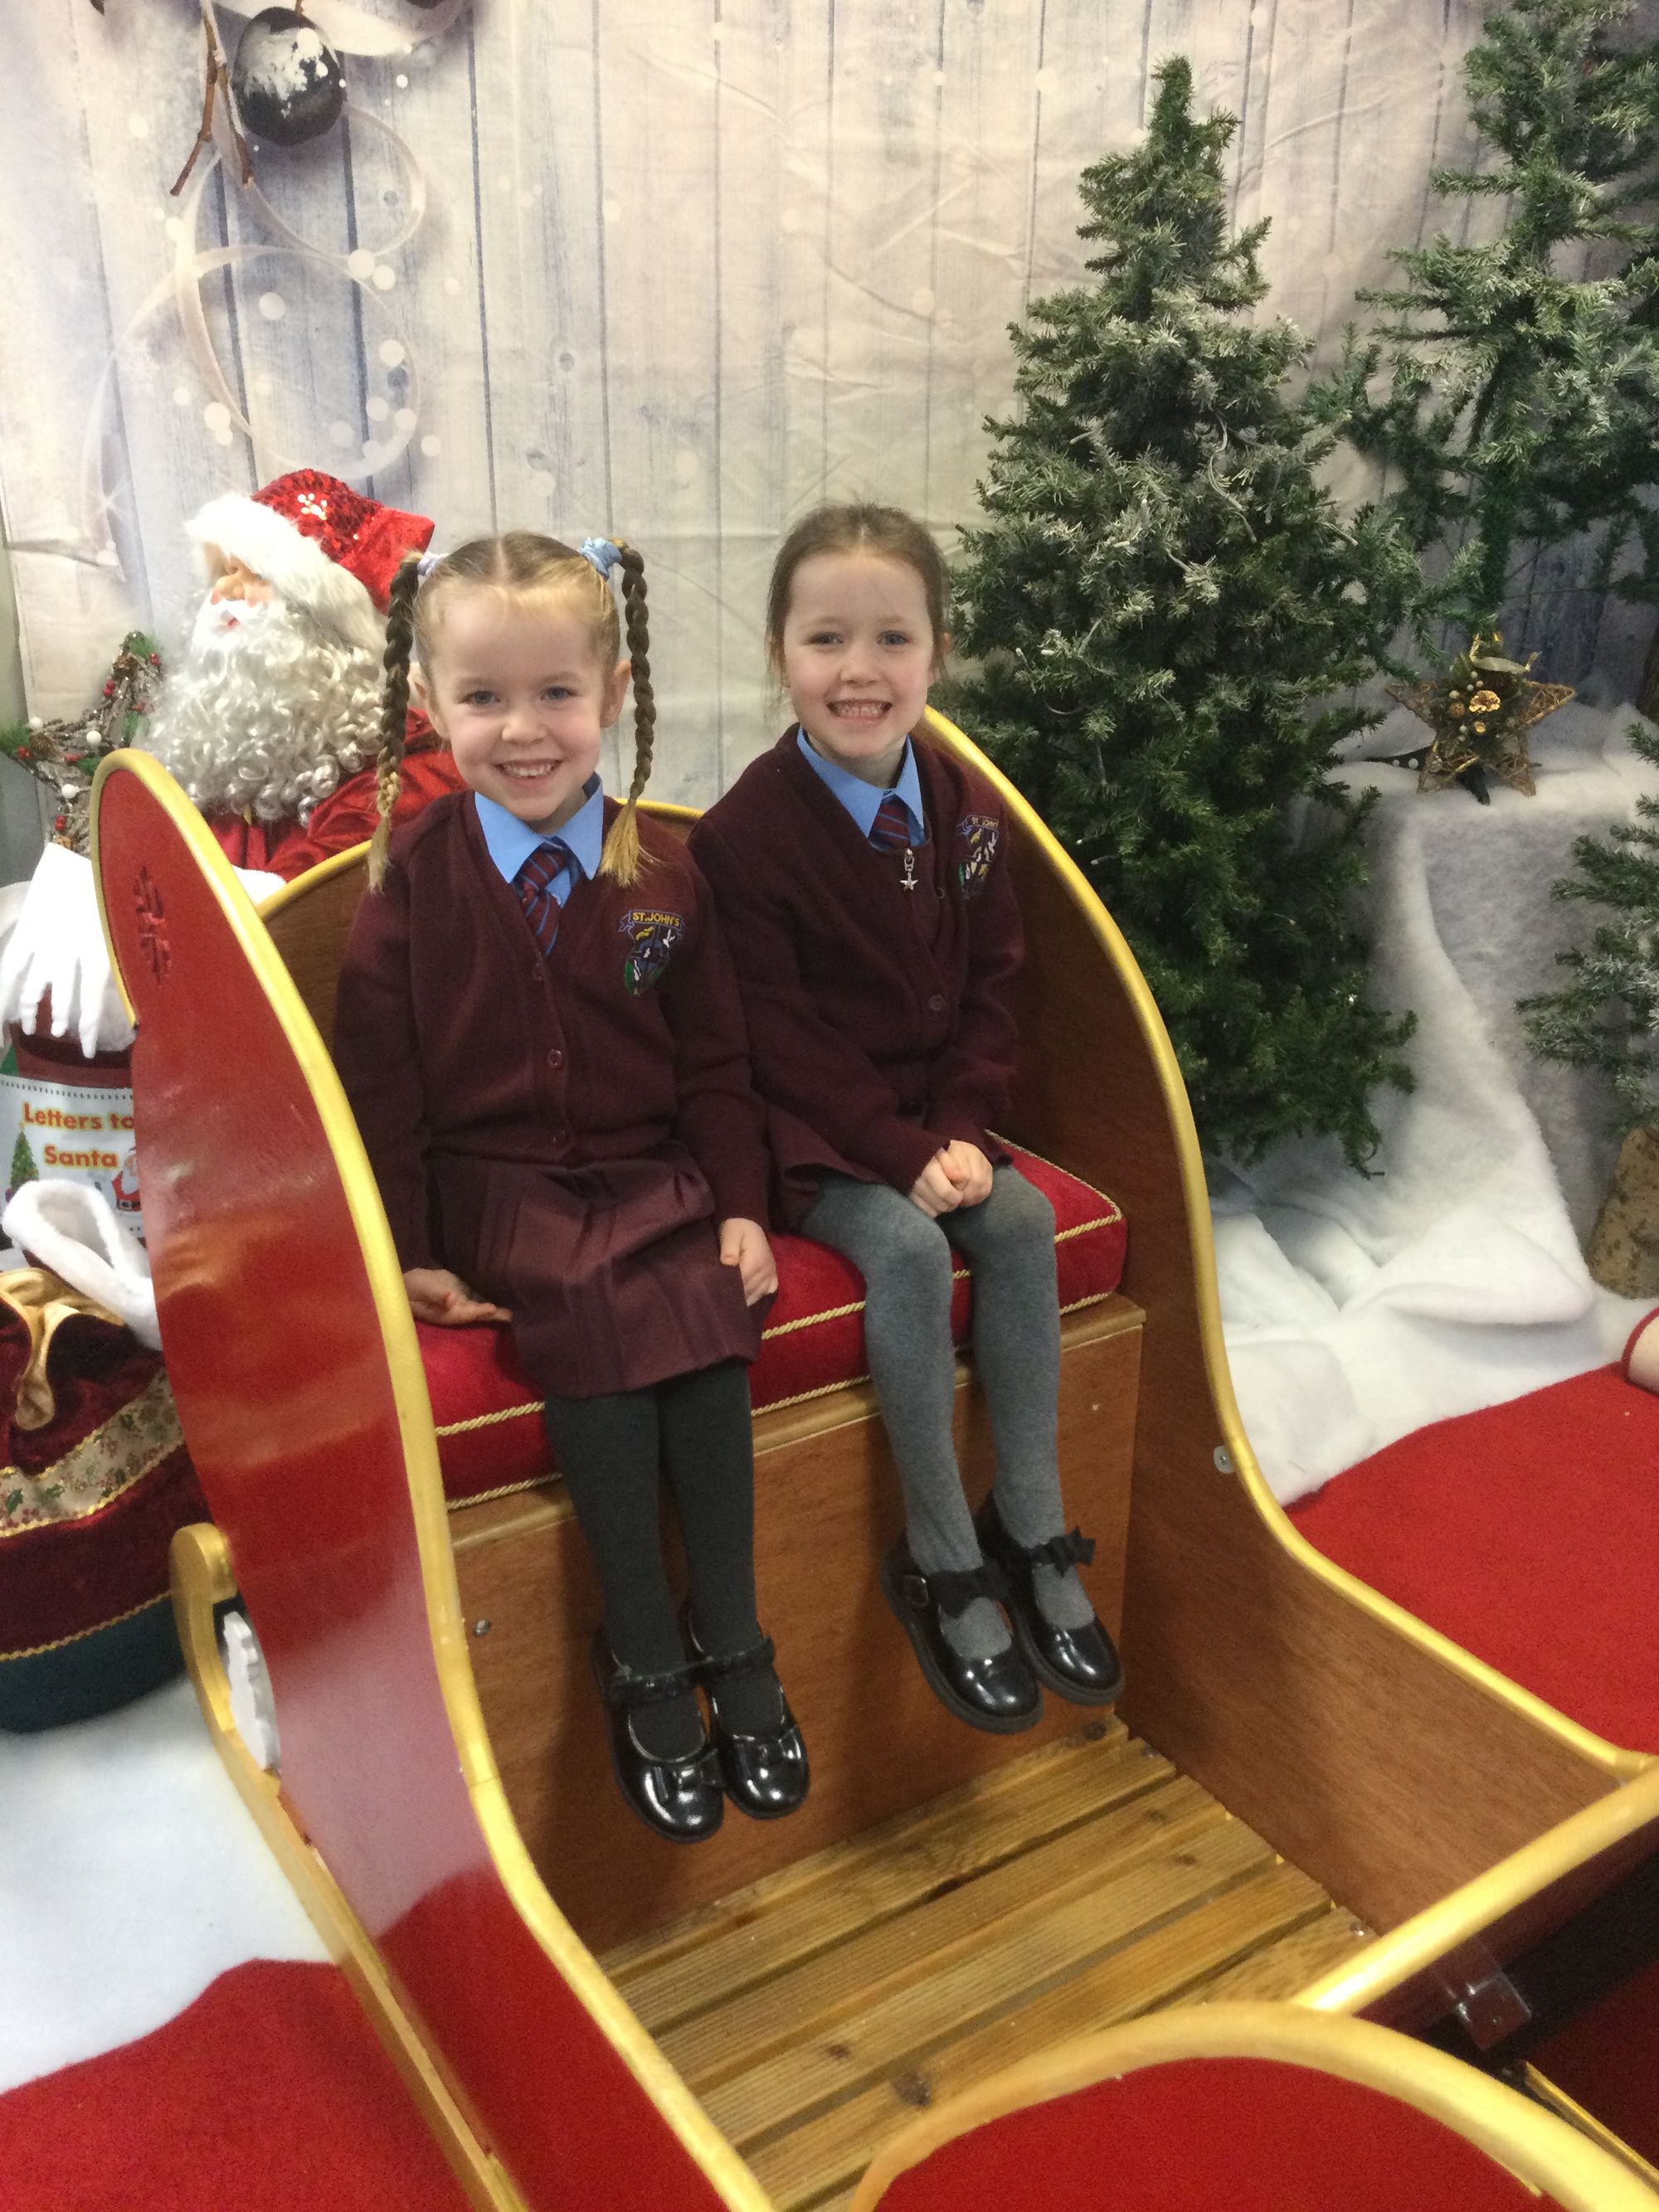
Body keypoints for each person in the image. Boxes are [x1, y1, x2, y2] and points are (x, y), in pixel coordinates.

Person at [333, 531, 808, 1843]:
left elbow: (716, 1063)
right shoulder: (409, 880)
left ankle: (736, 1632)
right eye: (484, 697)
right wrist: (409, 1248)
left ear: (613, 689)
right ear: (431, 702)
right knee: (595, 1303)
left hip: (649, 1176)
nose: (524, 729)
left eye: (557, 692)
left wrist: (741, 1205)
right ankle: (643, 1648)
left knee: (707, 1318)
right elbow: (380, 1092)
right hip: (502, 1192)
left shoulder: (661, 871)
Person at [690, 502, 1122, 1735]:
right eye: (826, 639)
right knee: (907, 1251)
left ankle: (1030, 1521)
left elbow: (992, 985)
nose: (860, 670)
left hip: (940, 1123)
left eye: (893, 639)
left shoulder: (967, 806)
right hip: (816, 1136)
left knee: (1023, 1220)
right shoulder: (743, 838)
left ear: (939, 652)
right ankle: (941, 1558)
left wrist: (968, 1131)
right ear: (779, 653)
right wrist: (899, 1153)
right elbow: (778, 1038)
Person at [0, 469, 461, 1060]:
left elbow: (306, 923)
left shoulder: (408, 774)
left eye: (257, 575)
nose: (225, 594)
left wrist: (113, 913)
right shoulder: (225, 774)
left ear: (328, 629)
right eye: (222, 571)